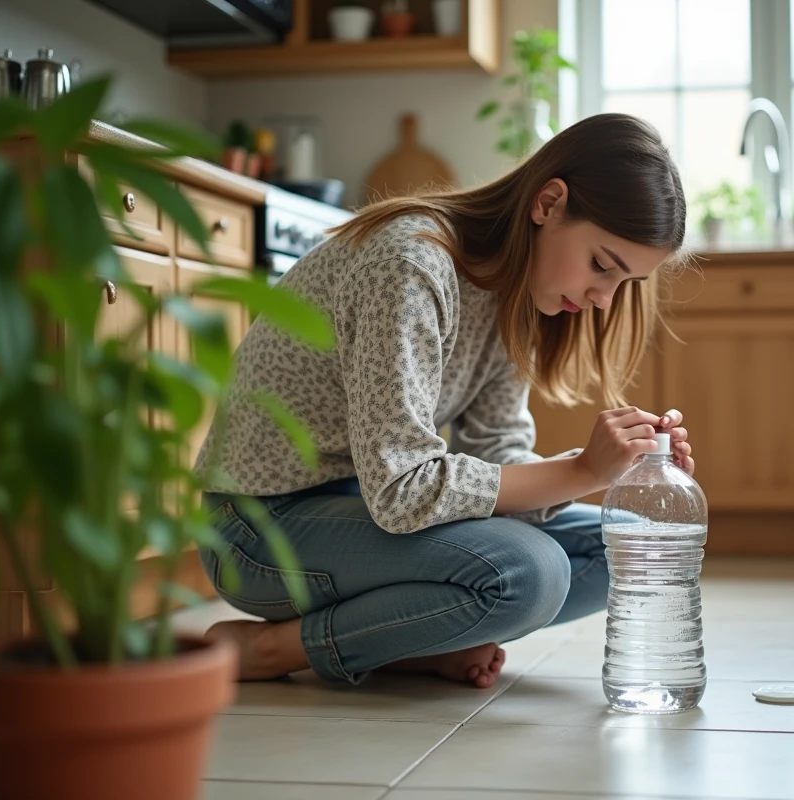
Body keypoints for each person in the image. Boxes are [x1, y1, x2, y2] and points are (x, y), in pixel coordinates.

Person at [196, 112, 696, 689]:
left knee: (629, 545)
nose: (604, 299)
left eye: (623, 282)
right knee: (529, 573)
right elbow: (402, 491)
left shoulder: (519, 293)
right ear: (548, 203)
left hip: (362, 513)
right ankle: (274, 649)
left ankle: (399, 645)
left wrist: (615, 471)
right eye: (602, 265)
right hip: (258, 528)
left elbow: (497, 455)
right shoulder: (410, 264)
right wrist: (581, 468)